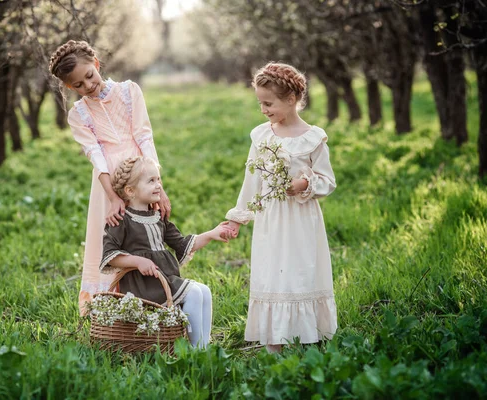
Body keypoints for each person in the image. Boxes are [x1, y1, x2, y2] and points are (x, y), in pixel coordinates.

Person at [49, 40, 171, 316]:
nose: (88, 86)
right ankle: (110, 311)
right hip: (107, 187)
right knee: (113, 241)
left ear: (97, 64)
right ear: (70, 88)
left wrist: (157, 186)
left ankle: (152, 303)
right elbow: (96, 155)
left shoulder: (129, 92)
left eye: (89, 76)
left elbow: (144, 136)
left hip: (141, 177)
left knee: (145, 236)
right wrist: (113, 197)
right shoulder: (77, 114)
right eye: (78, 85)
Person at [223, 62, 338, 353]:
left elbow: (327, 180)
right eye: (260, 103)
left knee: (301, 270)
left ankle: (308, 333)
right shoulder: (262, 136)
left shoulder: (313, 138)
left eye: (268, 103)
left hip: (301, 218)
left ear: (291, 100)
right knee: (273, 271)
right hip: (271, 218)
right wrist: (238, 217)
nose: (263, 109)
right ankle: (274, 338)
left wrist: (304, 184)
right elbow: (252, 180)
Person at [101, 156, 230, 348]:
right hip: (143, 285)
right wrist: (137, 261)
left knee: (204, 291)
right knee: (194, 293)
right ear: (130, 191)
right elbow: (110, 255)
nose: (158, 186)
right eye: (151, 181)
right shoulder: (122, 220)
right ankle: (194, 350)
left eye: (159, 179)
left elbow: (182, 244)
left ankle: (203, 346)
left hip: (164, 279)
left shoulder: (158, 216)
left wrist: (211, 234)